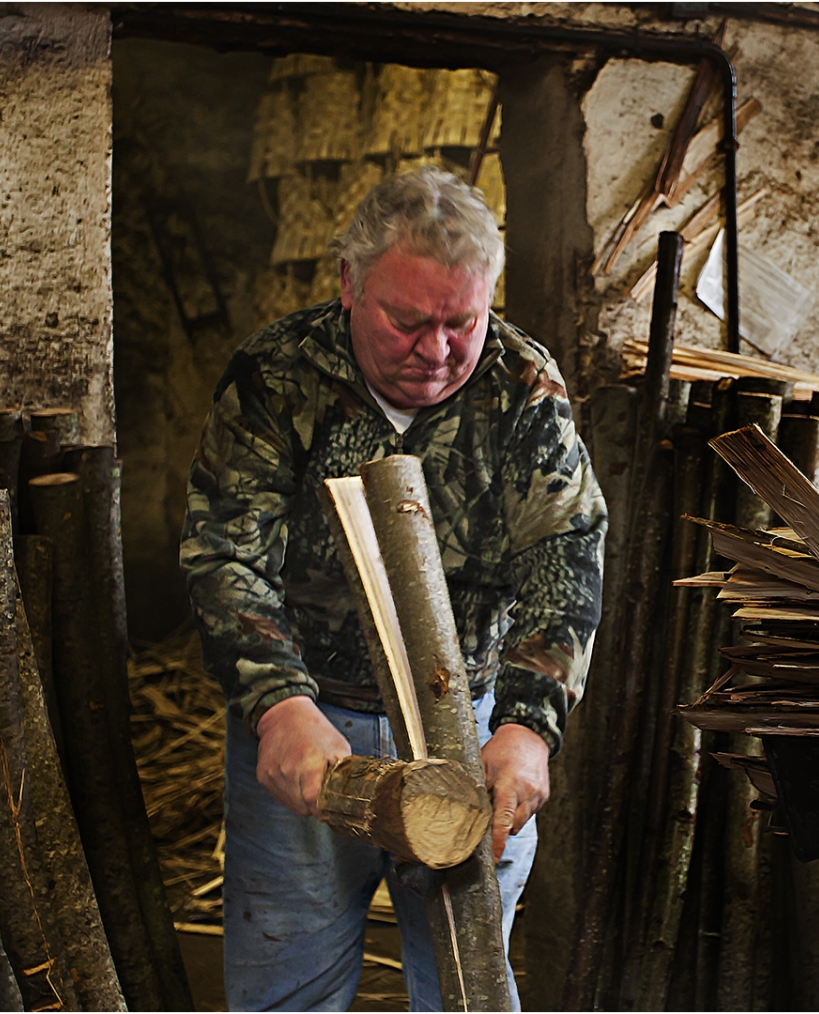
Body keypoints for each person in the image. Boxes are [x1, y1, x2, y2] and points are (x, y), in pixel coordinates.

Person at [180, 167, 606, 1011]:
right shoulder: (278, 374)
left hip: (468, 726)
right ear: (349, 282)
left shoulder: (522, 386)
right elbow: (227, 552)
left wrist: (529, 725)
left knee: (467, 991)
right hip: (311, 724)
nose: (436, 352)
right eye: (407, 322)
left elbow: (565, 554)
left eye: (461, 323)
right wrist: (276, 703)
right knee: (286, 990)